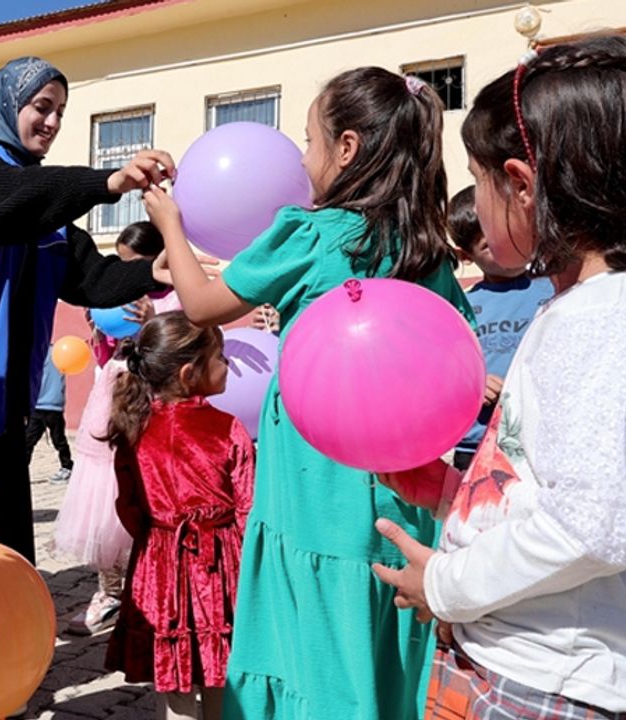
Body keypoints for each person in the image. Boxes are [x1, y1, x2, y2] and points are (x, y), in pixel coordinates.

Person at [145, 67, 472, 718]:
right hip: (400, 485)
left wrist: (169, 222)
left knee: (314, 641)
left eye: (309, 141)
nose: (301, 158)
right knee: (382, 635)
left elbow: (205, 304)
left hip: (315, 482)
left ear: (346, 148)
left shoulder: (312, 234)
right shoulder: (427, 248)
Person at [373, 36, 626, 719]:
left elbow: (593, 525)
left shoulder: (603, 318)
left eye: (477, 181)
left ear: (518, 183)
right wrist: (456, 495)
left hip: (544, 684)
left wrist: (447, 585)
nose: (474, 202)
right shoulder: (581, 307)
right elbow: (559, 487)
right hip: (515, 662)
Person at [0, 56, 175, 563]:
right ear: (8, 107)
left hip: (11, 412)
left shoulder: (48, 215)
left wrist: (155, 271)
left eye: (60, 111)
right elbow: (14, 200)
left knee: (8, 560)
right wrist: (106, 183)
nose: (52, 122)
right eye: (41, 107)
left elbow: (94, 279)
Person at [103, 312, 254, 720]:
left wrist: (159, 536)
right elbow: (247, 507)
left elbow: (129, 508)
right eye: (220, 356)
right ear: (190, 373)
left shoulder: (133, 428)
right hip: (219, 568)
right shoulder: (227, 429)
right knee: (223, 671)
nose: (227, 365)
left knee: (174, 678)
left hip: (159, 568)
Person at [57, 220, 171, 636]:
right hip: (109, 403)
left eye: (134, 264)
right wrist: (98, 330)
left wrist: (153, 320)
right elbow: (107, 354)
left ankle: (146, 592)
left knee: (143, 499)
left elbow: (180, 343)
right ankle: (108, 591)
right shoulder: (112, 296)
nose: (126, 274)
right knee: (102, 503)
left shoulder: (173, 296)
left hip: (149, 409)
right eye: (120, 264)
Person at [446, 186, 552, 471]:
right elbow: (444, 372)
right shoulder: (460, 307)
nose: (505, 245)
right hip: (477, 447)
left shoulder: (553, 290)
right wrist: (472, 386)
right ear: (465, 256)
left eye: (509, 230)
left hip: (536, 440)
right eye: (487, 245)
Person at [25, 352, 73, 484]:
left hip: (51, 405)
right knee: (29, 440)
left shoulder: (56, 353)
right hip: (41, 405)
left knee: (58, 440)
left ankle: (67, 467)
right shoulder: (58, 352)